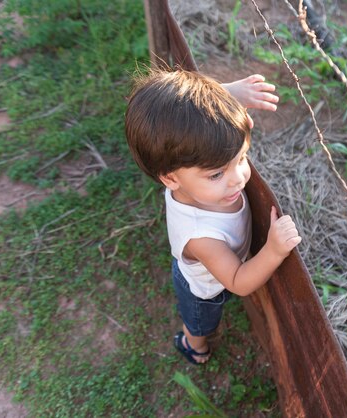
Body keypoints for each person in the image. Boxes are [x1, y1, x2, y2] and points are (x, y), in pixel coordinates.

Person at [124, 70, 301, 364]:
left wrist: (228, 94)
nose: (238, 179)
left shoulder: (193, 173)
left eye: (242, 158)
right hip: (203, 291)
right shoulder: (202, 237)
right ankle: (192, 345)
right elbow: (237, 281)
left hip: (215, 265)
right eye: (217, 174)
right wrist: (273, 250)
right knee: (201, 323)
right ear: (171, 179)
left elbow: (185, 110)